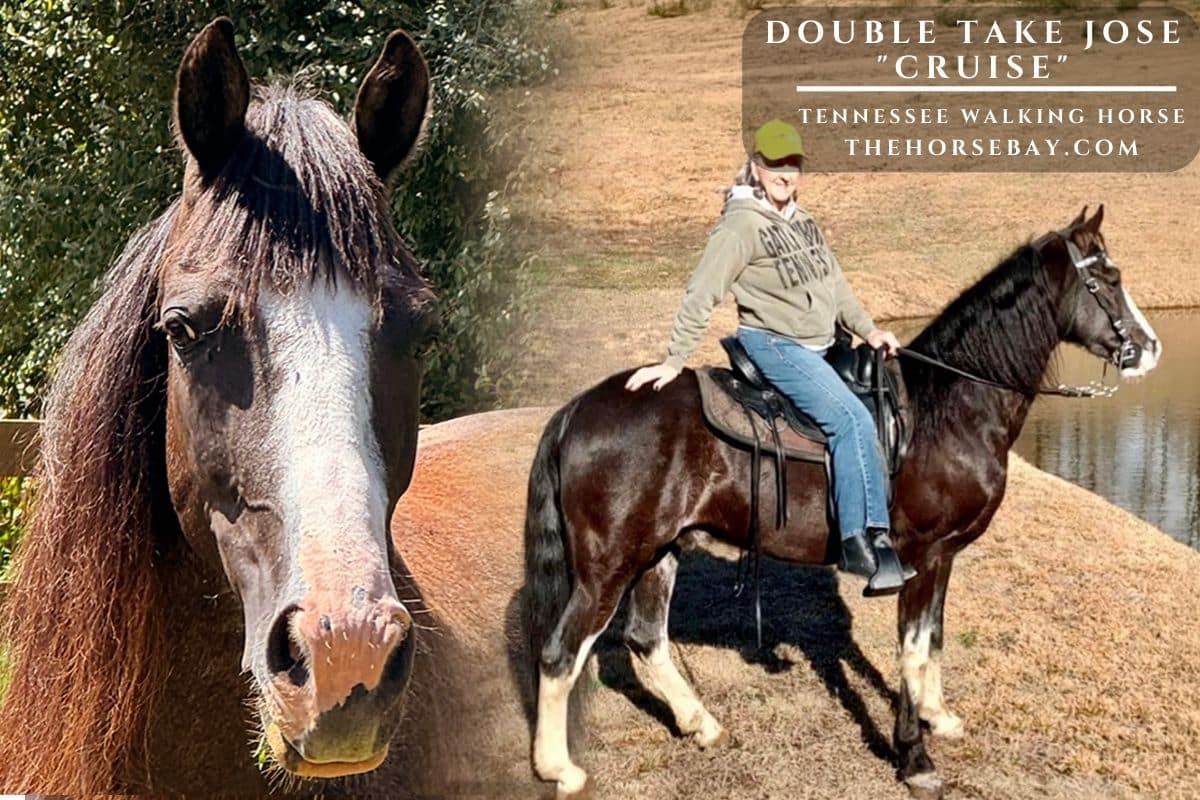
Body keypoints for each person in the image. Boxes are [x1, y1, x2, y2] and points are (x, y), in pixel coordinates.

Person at [625, 119, 913, 596]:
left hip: (824, 345)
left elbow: (835, 286)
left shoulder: (803, 222)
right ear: (757, 167)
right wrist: (674, 360)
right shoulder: (740, 227)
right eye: (776, 165)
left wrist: (869, 329)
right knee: (850, 419)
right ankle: (863, 542)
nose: (786, 174)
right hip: (777, 346)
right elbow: (703, 291)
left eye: (793, 165)